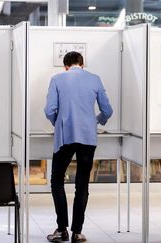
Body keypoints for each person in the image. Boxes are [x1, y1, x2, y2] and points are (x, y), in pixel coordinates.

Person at [44, 51, 113, 243]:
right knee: (82, 184)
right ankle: (77, 232)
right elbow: (107, 110)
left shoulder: (57, 79)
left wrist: (57, 123)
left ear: (65, 66)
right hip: (87, 137)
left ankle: (61, 229)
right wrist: (94, 121)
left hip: (65, 136)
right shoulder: (95, 79)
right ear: (82, 64)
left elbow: (49, 110)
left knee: (57, 181)